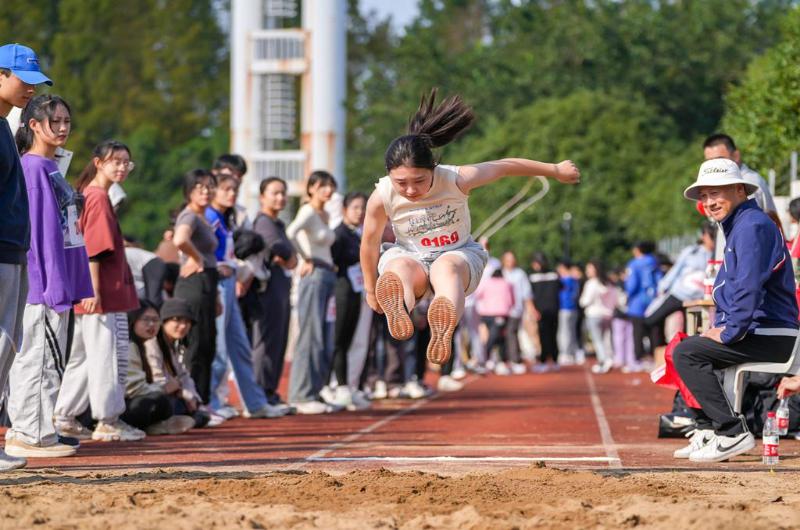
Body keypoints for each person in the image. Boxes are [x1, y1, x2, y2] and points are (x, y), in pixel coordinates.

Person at [360, 89, 580, 365]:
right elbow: (368, 244)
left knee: (446, 268)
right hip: (409, 255)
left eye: (418, 180)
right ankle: (399, 306)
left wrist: (555, 169)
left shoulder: (455, 179)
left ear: (434, 168)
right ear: (389, 175)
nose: (410, 190)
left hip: (457, 253)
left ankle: (444, 317)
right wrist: (371, 289)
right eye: (400, 182)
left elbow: (504, 166)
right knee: (399, 269)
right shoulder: (381, 196)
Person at [673, 158, 798, 463]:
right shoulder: (741, 224)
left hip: (771, 334)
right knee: (682, 347)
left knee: (687, 353)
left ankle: (731, 432)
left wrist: (730, 331)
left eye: (717, 192)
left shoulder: (751, 226)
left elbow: (749, 286)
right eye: (704, 195)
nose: (709, 202)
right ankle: (708, 429)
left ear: (740, 190)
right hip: (762, 329)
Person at [5, 94, 92, 458]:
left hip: (59, 280)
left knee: (51, 360)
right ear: (33, 125)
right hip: (43, 285)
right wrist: (53, 284)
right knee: (39, 359)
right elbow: (39, 236)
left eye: (66, 121)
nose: (61, 128)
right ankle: (30, 432)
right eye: (53, 121)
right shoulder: (34, 169)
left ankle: (41, 429)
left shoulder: (51, 166)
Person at [54, 140, 144, 442]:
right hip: (102, 292)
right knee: (106, 355)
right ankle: (108, 420)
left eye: (125, 162)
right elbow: (94, 250)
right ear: (98, 163)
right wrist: (93, 291)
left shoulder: (90, 194)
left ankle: (64, 415)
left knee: (82, 357)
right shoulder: (98, 197)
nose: (121, 167)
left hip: (92, 291)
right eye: (114, 161)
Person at [0, 42, 53, 471]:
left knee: (8, 347)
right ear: (1, 75)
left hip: (13, 251)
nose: (30, 90)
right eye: (24, 81)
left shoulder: (4, 125)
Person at [205, 172, 288, 419]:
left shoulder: (227, 217)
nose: (232, 194)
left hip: (231, 281)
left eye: (235, 190)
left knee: (240, 346)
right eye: (226, 189)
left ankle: (255, 402)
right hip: (218, 283)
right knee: (219, 349)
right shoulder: (209, 216)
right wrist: (216, 265)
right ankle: (211, 404)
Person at [286, 171, 339, 414]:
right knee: (310, 334)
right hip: (314, 274)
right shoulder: (307, 211)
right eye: (321, 186)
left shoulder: (325, 213)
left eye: (330, 186)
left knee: (322, 337)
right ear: (310, 189)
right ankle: (300, 394)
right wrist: (304, 257)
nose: (327, 190)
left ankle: (315, 391)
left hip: (327, 274)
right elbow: (291, 232)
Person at [172, 169, 220, 404]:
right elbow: (180, 239)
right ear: (189, 192)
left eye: (210, 186)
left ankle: (204, 402)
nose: (206, 191)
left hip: (208, 283)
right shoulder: (189, 215)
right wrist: (196, 257)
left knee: (208, 343)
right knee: (196, 344)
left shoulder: (203, 217)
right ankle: (194, 403)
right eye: (199, 187)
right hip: (194, 284)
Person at [249, 177, 296, 406]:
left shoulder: (278, 223)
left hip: (281, 286)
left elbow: (287, 253)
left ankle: (270, 391)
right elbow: (279, 248)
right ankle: (260, 393)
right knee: (266, 342)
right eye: (275, 193)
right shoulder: (263, 222)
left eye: (283, 193)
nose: (280, 197)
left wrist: (288, 255)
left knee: (279, 340)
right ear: (262, 197)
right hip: (267, 289)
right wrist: (288, 255)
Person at [327, 191, 371, 410]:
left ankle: (351, 386)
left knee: (356, 341)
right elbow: (332, 261)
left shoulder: (359, 234)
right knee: (340, 340)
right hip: (342, 292)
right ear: (344, 210)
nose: (360, 212)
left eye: (363, 208)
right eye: (355, 207)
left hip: (358, 292)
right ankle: (339, 386)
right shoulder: (339, 234)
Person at [123, 301, 194, 435]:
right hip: (120, 406)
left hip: (133, 400)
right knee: (158, 401)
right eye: (146, 320)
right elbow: (133, 388)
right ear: (133, 319)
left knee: (164, 401)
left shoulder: (143, 345)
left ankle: (156, 425)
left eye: (155, 320)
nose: (152, 325)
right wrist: (164, 388)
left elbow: (183, 375)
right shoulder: (129, 346)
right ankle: (155, 425)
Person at [144, 298, 209, 428]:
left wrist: (191, 396)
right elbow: (159, 382)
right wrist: (180, 391)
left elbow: (184, 375)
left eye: (187, 321)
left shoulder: (172, 344)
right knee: (167, 404)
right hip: (151, 395)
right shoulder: (152, 343)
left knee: (195, 411)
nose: (183, 326)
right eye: (177, 320)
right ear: (164, 321)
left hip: (167, 394)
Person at [644, 222, 715, 335]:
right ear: (704, 236)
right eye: (711, 235)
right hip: (679, 294)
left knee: (693, 331)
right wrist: (663, 286)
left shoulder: (717, 253)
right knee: (652, 320)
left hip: (699, 299)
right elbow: (675, 270)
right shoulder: (691, 252)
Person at [703, 133, 776, 213]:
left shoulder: (748, 182)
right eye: (709, 162)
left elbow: (749, 221)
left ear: (736, 156)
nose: (714, 166)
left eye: (720, 160)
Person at [625, 241, 662, 369]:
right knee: (654, 331)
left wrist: (627, 295)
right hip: (653, 302)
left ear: (638, 250)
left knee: (638, 332)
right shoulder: (655, 262)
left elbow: (632, 284)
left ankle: (638, 359)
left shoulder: (634, 264)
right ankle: (654, 357)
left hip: (637, 303)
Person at [475, 268, 515, 375]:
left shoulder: (486, 282)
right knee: (497, 337)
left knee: (494, 337)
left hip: (486, 314)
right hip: (500, 314)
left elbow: (478, 294)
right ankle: (487, 360)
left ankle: (493, 361)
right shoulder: (507, 283)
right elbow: (511, 300)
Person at [500, 250, 534, 374]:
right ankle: (503, 360)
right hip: (500, 310)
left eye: (512, 259)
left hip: (515, 310)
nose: (510, 262)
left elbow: (527, 293)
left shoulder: (520, 274)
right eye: (508, 259)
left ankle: (515, 360)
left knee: (511, 333)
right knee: (501, 335)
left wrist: (531, 309)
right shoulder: (500, 273)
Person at [529, 253, 561, 372]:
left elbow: (530, 295)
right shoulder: (554, 274)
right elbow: (560, 288)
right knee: (553, 335)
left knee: (544, 336)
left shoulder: (533, 277)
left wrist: (533, 309)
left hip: (542, 310)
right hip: (553, 309)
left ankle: (544, 360)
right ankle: (554, 360)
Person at [556, 261, 581, 365]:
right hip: (573, 309)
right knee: (571, 332)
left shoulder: (564, 280)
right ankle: (572, 353)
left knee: (564, 332)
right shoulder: (574, 280)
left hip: (565, 308)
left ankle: (565, 353)